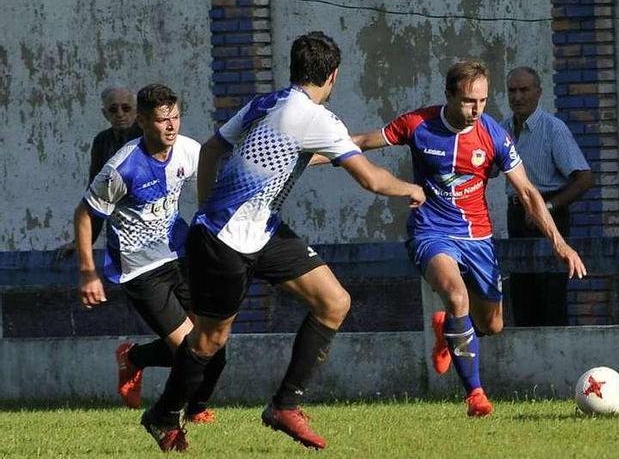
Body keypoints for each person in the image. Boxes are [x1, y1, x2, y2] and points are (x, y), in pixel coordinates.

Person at [140, 31, 425, 452]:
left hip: (261, 229)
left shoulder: (269, 103)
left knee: (334, 302)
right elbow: (370, 179)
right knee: (209, 340)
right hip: (225, 241)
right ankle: (162, 415)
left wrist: (204, 205)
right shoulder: (317, 118)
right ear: (333, 74)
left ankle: (285, 405)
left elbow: (213, 148)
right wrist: (410, 189)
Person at [351, 60, 587, 417]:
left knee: (492, 325)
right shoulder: (419, 124)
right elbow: (359, 143)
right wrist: (309, 153)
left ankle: (449, 328)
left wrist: (558, 241)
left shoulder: (493, 134)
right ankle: (475, 395)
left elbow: (526, 192)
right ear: (448, 95)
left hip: (477, 237)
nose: (476, 109)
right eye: (467, 101)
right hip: (431, 232)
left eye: (482, 101)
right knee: (456, 296)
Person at [75, 84, 223, 422]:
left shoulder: (188, 150)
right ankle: (175, 408)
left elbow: (214, 183)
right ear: (142, 121)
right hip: (139, 268)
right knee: (191, 349)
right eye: (161, 121)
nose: (171, 127)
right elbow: (85, 213)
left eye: (175, 117)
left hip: (179, 254)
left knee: (212, 341)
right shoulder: (122, 168)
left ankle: (140, 362)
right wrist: (87, 271)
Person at [502, 66, 593, 326]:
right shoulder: (503, 129)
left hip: (550, 212)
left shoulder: (553, 129)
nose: (518, 97)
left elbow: (585, 178)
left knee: (550, 293)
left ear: (538, 93)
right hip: (518, 214)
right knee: (521, 291)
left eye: (524, 90)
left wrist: (549, 206)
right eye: (512, 91)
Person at [58, 86, 142, 257]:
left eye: (126, 108)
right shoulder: (102, 141)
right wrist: (82, 242)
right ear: (105, 114)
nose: (120, 114)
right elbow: (95, 196)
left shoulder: (148, 137)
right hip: (119, 228)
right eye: (113, 109)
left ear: (136, 111)